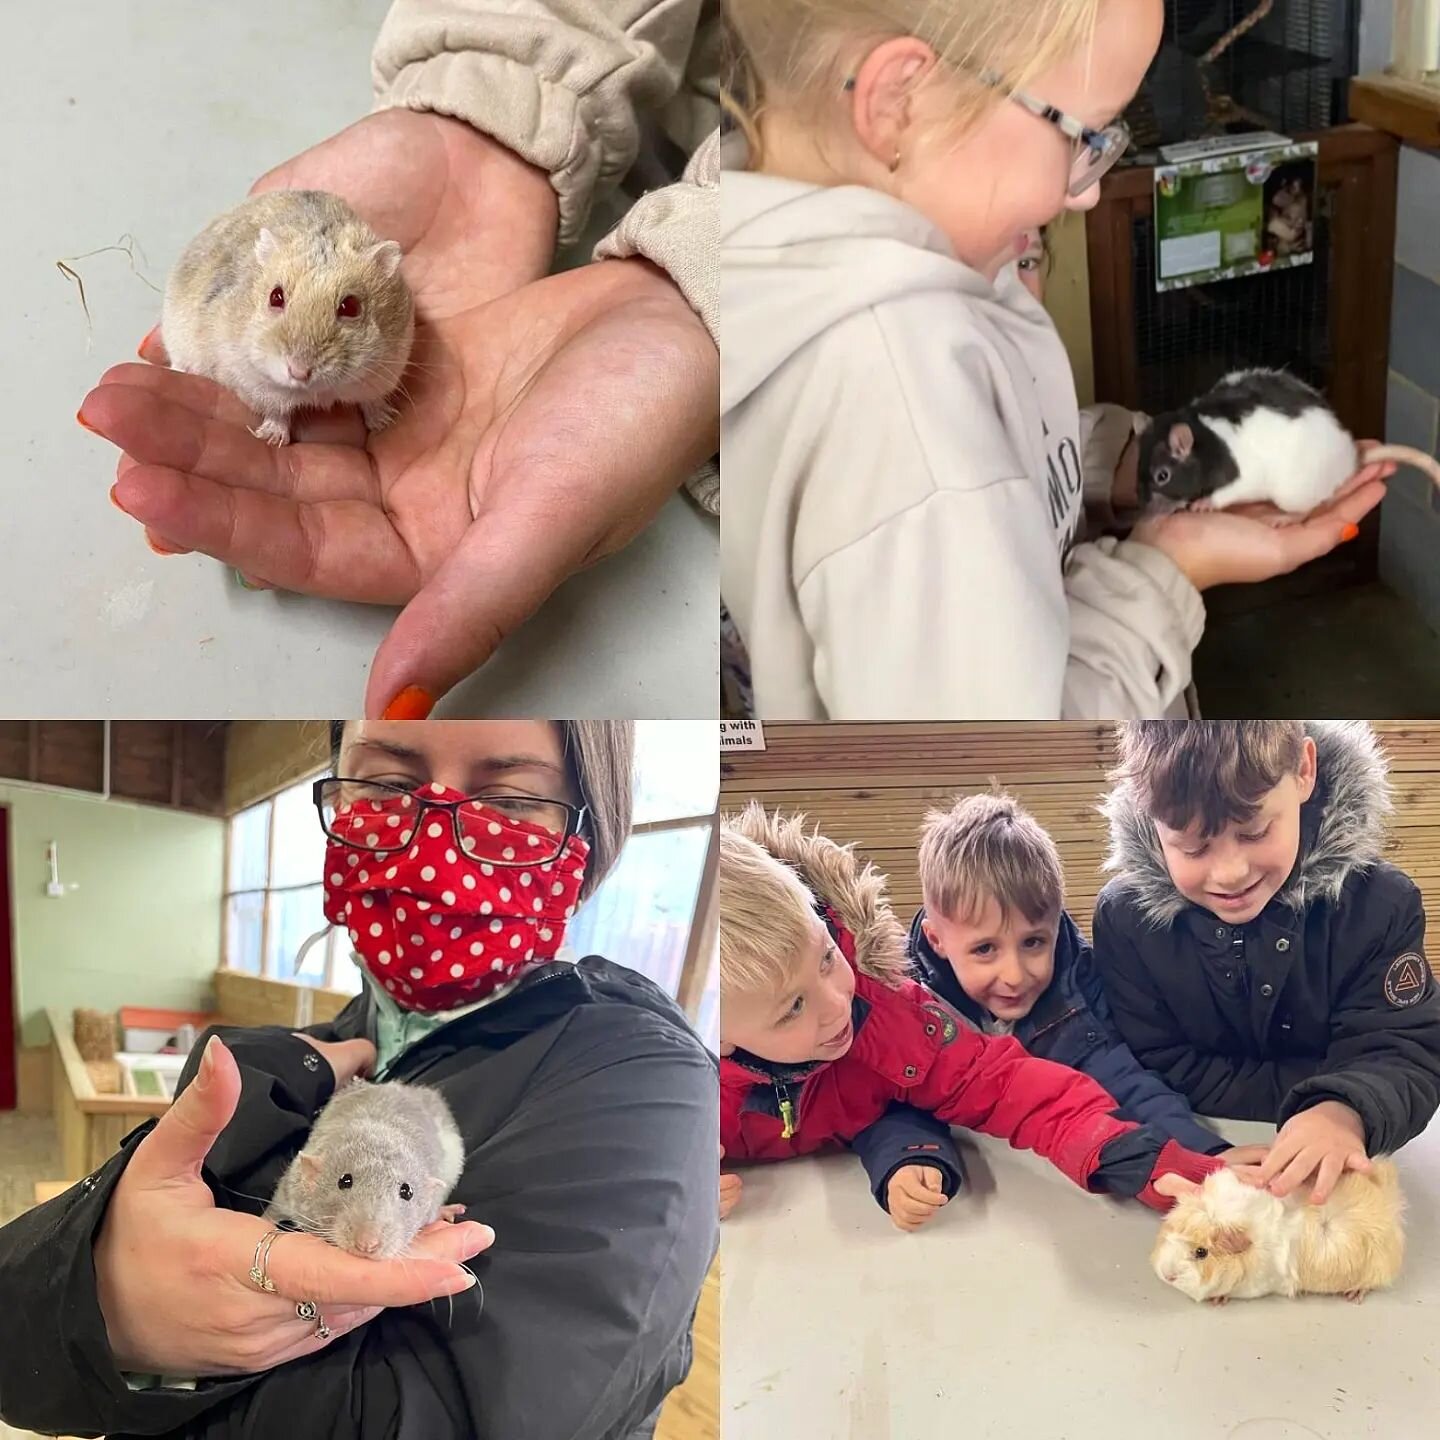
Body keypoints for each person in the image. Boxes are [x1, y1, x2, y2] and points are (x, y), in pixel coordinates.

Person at [0, 720, 717, 1440]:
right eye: (387, 786)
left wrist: (129, 1338)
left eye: (509, 801)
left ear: (591, 831)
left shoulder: (644, 1086)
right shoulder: (288, 1062)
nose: (435, 845)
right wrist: (101, 1282)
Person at [718, 0, 1394, 719]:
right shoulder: (900, 385)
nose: (1092, 188)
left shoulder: (804, 262)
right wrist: (1164, 576)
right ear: (899, 102)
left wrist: (1113, 471)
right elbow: (992, 778)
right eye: (1085, 133)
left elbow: (978, 484)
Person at [77, 1, 722, 720]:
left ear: (380, 292)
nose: (302, 362)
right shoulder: (249, 305)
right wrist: (497, 100)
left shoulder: (389, 312)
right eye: (284, 306)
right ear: (266, 288)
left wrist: (705, 277)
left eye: (348, 312)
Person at [717, 802, 1227, 1228]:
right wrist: (665, 1179)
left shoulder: (888, 1013)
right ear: (711, 1035)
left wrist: (1128, 1153)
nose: (838, 1004)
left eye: (828, 957)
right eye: (794, 1007)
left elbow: (1001, 1083)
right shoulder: (671, 1079)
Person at [1093, 720, 1440, 1206]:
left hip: (1350, 1167)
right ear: (1150, 816)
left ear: (1303, 770)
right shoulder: (1125, 919)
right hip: (1206, 1154)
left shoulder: (1383, 905)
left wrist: (1343, 1110)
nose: (1230, 873)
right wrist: (1320, 1086)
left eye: (1254, 831)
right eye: (1193, 847)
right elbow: (1152, 1061)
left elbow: (1404, 1048)